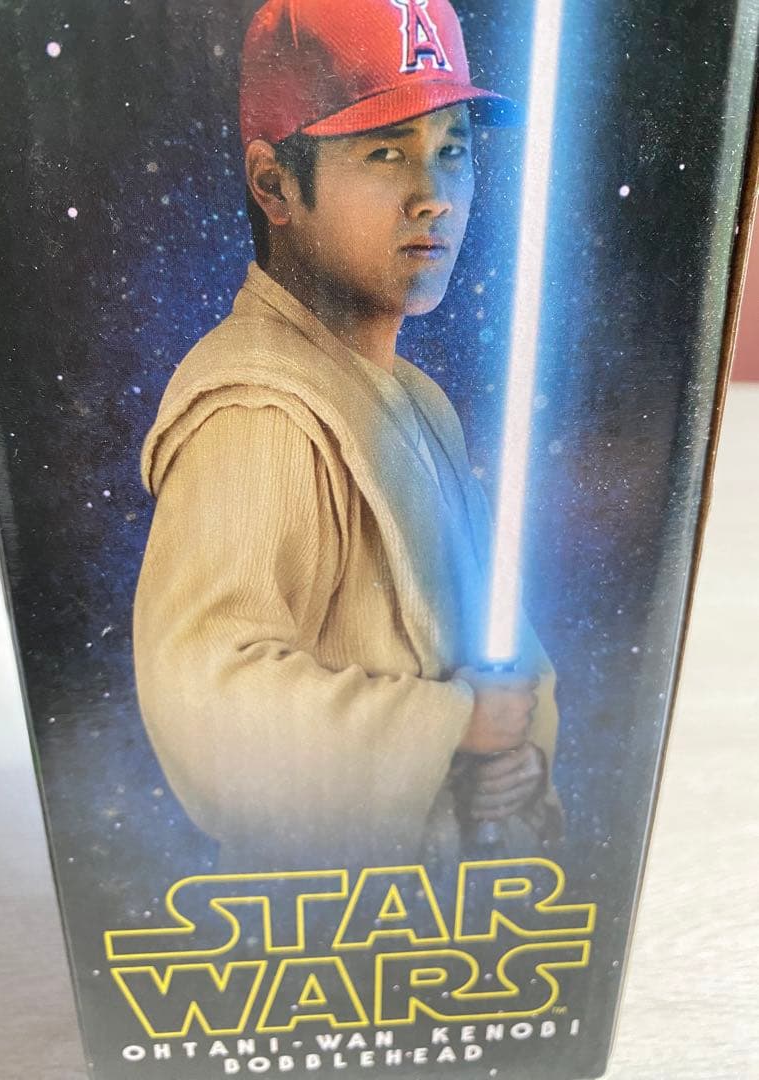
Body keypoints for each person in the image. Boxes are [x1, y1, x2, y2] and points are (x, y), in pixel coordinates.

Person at [133, 0, 563, 871]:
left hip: (444, 906)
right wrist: (453, 730)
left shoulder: (419, 403)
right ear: (274, 184)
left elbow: (501, 648)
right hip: (317, 920)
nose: (433, 196)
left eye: (453, 151)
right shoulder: (258, 412)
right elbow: (205, 702)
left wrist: (517, 755)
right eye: (385, 153)